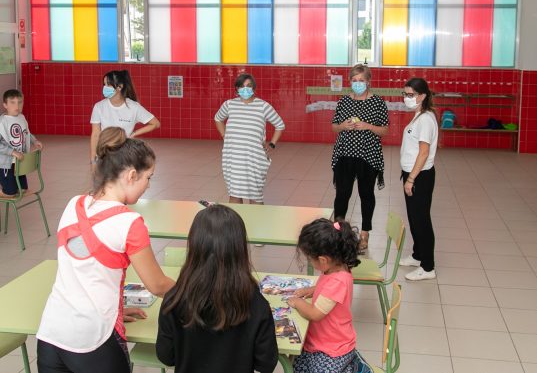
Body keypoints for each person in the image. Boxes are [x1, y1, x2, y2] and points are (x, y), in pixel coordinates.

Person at [37, 127, 176, 373]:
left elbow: (88, 269)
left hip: (51, 336)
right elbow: (158, 285)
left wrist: (117, 307)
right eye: (149, 177)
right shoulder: (129, 223)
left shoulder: (74, 204)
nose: (148, 185)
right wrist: (202, 289)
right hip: (93, 340)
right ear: (132, 175)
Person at [156, 204, 278, 373]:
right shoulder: (257, 305)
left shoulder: (173, 300)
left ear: (193, 245)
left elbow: (166, 356)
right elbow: (266, 364)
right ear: (240, 249)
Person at [287, 218, 364, 373]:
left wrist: (297, 302)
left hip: (332, 347)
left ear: (323, 260)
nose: (309, 261)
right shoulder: (336, 267)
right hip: (322, 339)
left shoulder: (338, 281)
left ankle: (350, 367)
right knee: (297, 365)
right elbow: (328, 288)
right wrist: (312, 290)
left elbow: (315, 314)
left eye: (309, 258)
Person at [330, 64, 389, 253]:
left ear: (368, 82)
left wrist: (367, 126)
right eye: (354, 80)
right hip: (344, 154)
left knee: (366, 195)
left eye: (361, 80)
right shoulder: (344, 102)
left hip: (368, 156)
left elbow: (385, 130)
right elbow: (334, 126)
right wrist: (342, 126)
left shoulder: (378, 102)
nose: (357, 84)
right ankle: (338, 232)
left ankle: (365, 233)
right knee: (342, 195)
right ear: (349, 82)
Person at [214, 74, 285, 204]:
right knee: (235, 195)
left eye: (249, 86)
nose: (245, 89)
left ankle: (257, 223)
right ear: (236, 89)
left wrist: (272, 144)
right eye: (242, 86)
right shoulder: (229, 105)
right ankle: (236, 224)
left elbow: (280, 125)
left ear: (254, 88)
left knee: (255, 196)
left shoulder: (263, 106)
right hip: (233, 157)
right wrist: (225, 136)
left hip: (254, 158)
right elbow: (218, 118)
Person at [398, 77, 439, 281]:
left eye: (411, 95)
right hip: (412, 173)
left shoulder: (426, 119)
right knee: (414, 217)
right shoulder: (418, 116)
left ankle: (428, 266)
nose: (407, 98)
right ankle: (417, 255)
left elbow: (423, 153)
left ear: (422, 96)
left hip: (420, 176)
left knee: (421, 219)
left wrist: (411, 179)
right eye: (405, 94)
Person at [90, 70, 160, 166]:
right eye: (104, 84)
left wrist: (134, 133)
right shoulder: (99, 107)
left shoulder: (134, 107)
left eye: (108, 85)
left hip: (125, 155)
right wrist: (93, 157)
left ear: (119, 87)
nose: (104, 88)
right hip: (104, 154)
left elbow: (155, 123)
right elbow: (95, 134)